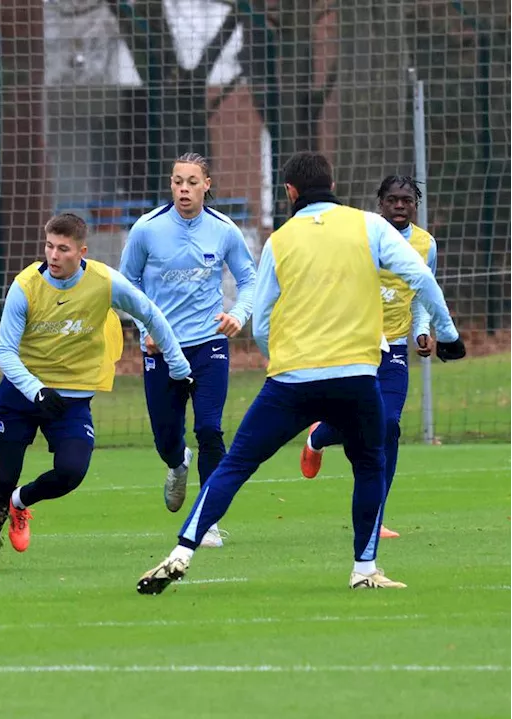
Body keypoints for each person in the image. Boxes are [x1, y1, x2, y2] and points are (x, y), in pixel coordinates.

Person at [137, 152, 465, 595]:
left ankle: (182, 552)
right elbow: (421, 277)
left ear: (290, 192)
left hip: (291, 381)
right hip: (355, 376)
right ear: (333, 183)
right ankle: (364, 568)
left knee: (235, 465)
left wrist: (277, 357)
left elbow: (264, 317)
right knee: (371, 463)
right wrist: (446, 333)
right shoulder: (369, 225)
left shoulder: (280, 239)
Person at [0, 213, 191, 572]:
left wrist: (178, 365)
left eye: (63, 249)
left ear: (81, 252)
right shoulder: (25, 286)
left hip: (71, 399)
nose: (53, 255)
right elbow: (3, 352)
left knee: (71, 471)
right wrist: (36, 390)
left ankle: (20, 503)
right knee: (3, 476)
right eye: (49, 246)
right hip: (22, 393)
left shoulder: (104, 281)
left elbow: (150, 313)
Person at [119, 152, 258, 548]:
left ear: (207, 184)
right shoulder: (146, 229)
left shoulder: (224, 230)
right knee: (167, 438)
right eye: (178, 181)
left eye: (192, 181)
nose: (184, 188)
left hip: (209, 344)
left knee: (210, 428)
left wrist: (239, 314)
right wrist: (146, 327)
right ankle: (178, 464)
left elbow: (249, 281)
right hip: (161, 348)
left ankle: (207, 521)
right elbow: (125, 287)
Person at [301, 176, 436, 540]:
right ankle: (319, 437)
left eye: (406, 200)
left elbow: (423, 294)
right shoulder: (361, 235)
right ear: (380, 203)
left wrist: (421, 330)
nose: (399, 206)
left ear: (415, 205)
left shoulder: (425, 244)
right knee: (362, 420)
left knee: (388, 425)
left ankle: (375, 517)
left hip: (393, 349)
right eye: (392, 199)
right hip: (354, 345)